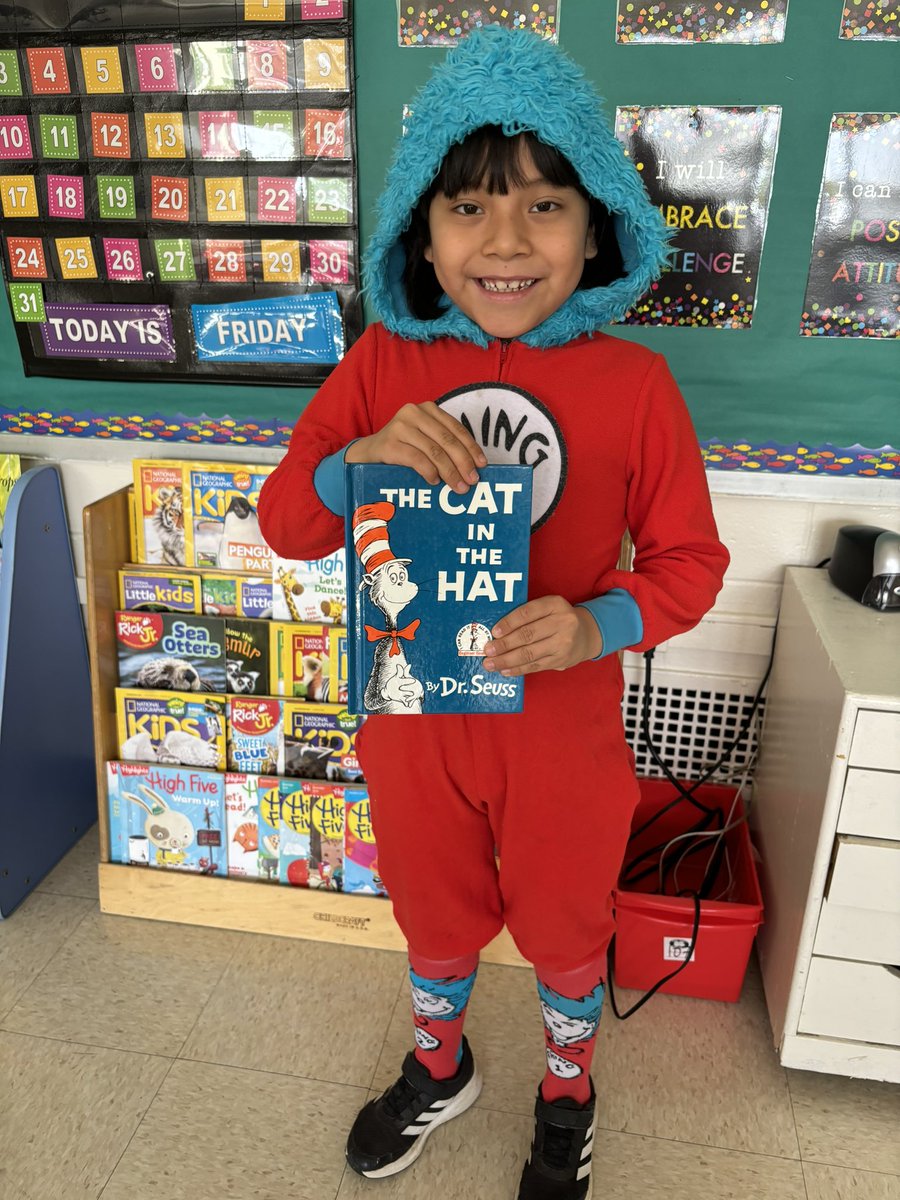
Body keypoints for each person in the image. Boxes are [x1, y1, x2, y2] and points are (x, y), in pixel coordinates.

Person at [258, 27, 729, 1200]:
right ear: (420, 228)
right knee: (433, 905)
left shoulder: (636, 387)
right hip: (413, 715)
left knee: (568, 924)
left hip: (560, 726)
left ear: (599, 222)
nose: (506, 242)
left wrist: (595, 624)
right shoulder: (379, 365)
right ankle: (440, 1062)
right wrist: (349, 463)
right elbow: (284, 524)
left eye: (545, 206)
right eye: (468, 208)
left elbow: (690, 563)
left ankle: (566, 1092)